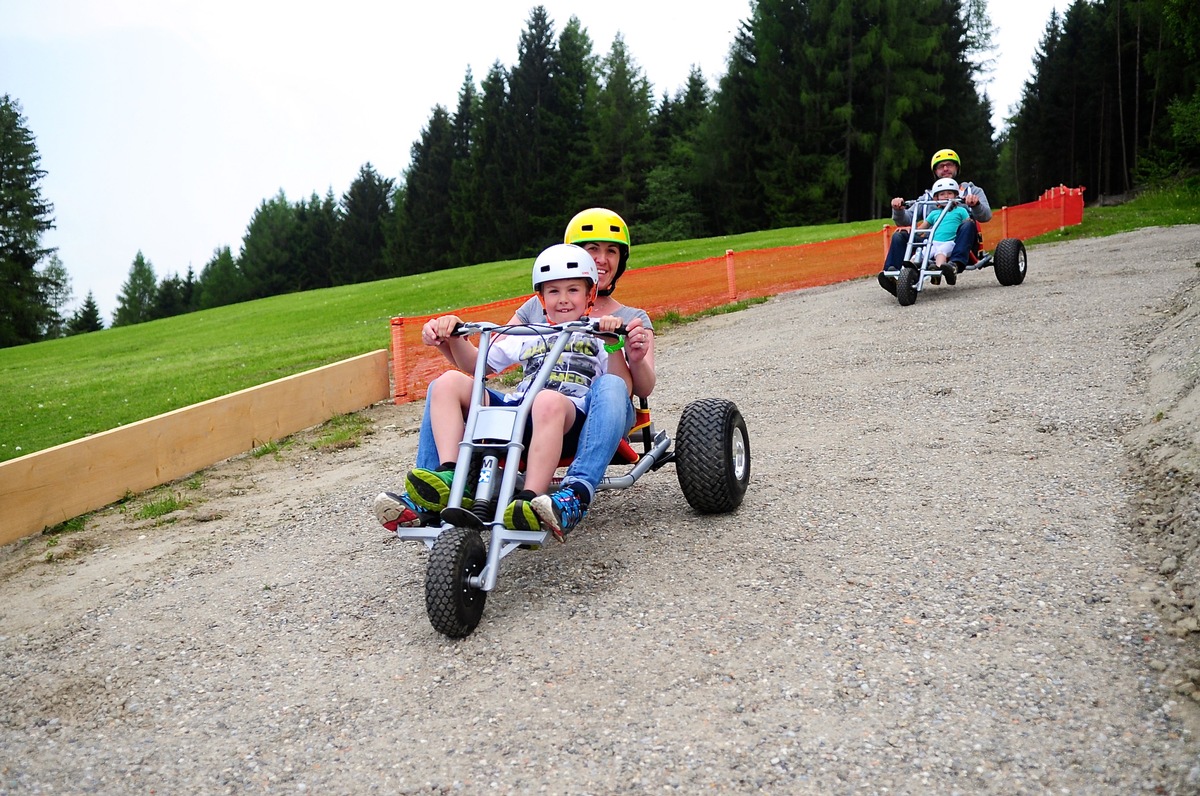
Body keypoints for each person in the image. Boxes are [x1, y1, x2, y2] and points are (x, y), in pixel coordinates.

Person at [374, 208, 656, 541]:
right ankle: (444, 482)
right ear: (543, 293)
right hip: (523, 409)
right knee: (446, 384)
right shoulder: (535, 317)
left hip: (583, 413)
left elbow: (636, 387)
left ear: (591, 290)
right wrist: (449, 337)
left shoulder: (627, 320)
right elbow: (483, 364)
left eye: (611, 251)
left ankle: (567, 495)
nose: (601, 259)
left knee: (588, 390)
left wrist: (622, 347)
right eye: (591, 249)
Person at [877, 148, 992, 295]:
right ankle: (892, 276)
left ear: (957, 167)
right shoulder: (928, 197)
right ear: (935, 171)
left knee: (968, 224)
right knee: (900, 235)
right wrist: (898, 209)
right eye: (940, 166)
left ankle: (953, 266)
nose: (945, 169)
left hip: (961, 242)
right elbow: (907, 219)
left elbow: (986, 216)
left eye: (949, 164)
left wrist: (975, 205)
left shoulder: (971, 191)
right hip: (931, 241)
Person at [914, 177, 970, 280]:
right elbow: (922, 228)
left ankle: (937, 271)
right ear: (936, 198)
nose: (946, 196)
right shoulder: (934, 213)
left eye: (949, 193)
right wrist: (912, 231)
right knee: (920, 253)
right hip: (933, 242)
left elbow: (967, 226)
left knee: (941, 253)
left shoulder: (961, 210)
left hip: (949, 242)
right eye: (942, 194)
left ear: (956, 196)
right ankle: (909, 270)